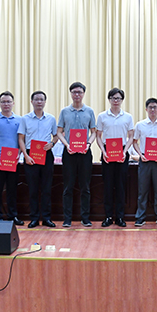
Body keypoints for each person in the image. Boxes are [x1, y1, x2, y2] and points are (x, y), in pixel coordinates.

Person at [57, 82, 96, 227]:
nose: (77, 95)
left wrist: (88, 144)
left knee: (85, 187)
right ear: (71, 94)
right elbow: (59, 132)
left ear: (83, 94)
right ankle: (67, 218)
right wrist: (67, 145)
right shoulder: (64, 111)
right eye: (74, 92)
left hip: (85, 153)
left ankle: (85, 217)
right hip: (69, 153)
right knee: (68, 186)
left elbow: (94, 132)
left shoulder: (89, 111)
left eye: (79, 92)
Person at [18, 91, 58, 228]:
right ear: (32, 102)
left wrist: (52, 143)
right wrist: (26, 155)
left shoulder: (51, 119)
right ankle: (34, 218)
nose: (39, 102)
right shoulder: (25, 119)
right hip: (31, 155)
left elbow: (56, 135)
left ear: (45, 102)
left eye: (41, 99)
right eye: (36, 99)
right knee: (33, 189)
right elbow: (21, 139)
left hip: (46, 154)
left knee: (46, 189)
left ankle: (46, 218)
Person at [96, 88, 134, 228]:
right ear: (109, 100)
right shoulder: (102, 116)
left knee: (121, 186)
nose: (115, 101)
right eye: (113, 98)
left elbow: (131, 136)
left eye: (118, 98)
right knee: (107, 186)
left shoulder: (128, 117)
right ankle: (108, 217)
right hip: (107, 152)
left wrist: (125, 151)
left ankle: (120, 217)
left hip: (122, 152)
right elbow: (98, 136)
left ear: (122, 100)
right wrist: (103, 151)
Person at [133, 98, 157, 227]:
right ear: (146, 109)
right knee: (142, 190)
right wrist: (140, 155)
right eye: (150, 107)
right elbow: (134, 142)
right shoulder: (140, 125)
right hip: (144, 161)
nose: (153, 110)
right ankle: (140, 217)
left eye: (155, 107)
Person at [0, 91, 24, 226]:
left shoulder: (20, 120)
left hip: (14, 161)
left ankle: (12, 216)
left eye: (8, 101)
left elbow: (22, 139)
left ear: (13, 103)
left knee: (12, 190)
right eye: (3, 102)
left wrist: (19, 153)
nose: (6, 104)